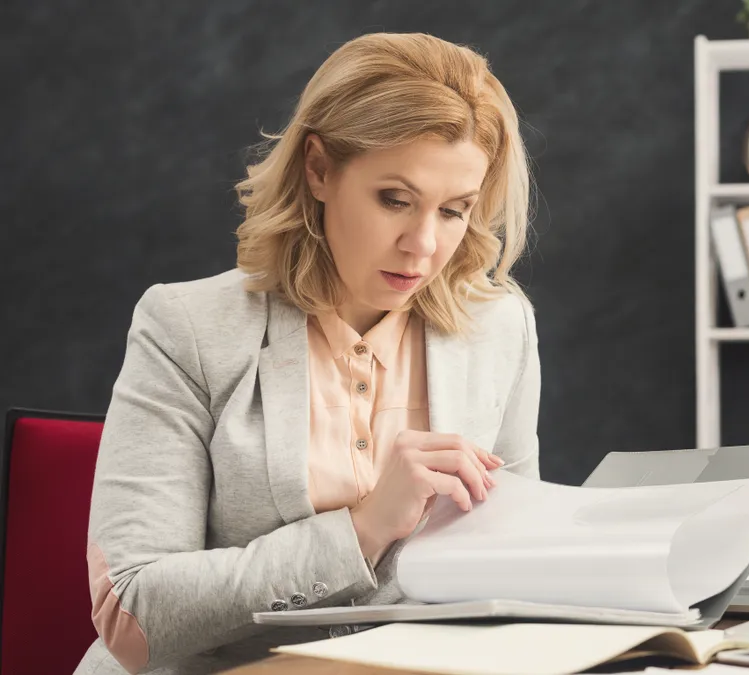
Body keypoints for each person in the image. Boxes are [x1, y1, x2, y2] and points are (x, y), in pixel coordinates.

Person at [76, 32, 540, 675]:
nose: (423, 245)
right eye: (395, 200)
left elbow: (519, 562)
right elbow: (133, 617)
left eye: (455, 211)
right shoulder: (186, 327)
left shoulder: (500, 328)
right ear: (318, 169)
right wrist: (362, 529)